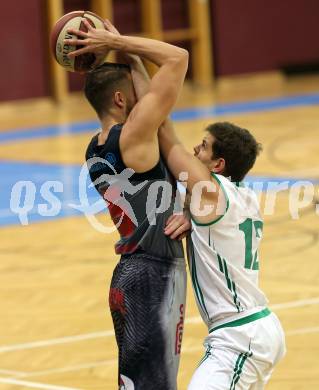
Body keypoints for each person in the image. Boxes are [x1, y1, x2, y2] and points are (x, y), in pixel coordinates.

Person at [65, 19, 190, 389]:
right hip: (154, 275)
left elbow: (148, 93)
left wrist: (127, 56)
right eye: (136, 97)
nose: (145, 98)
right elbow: (178, 58)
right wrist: (118, 41)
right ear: (121, 101)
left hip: (129, 275)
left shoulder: (95, 147)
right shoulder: (134, 134)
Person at [158, 119, 286, 389]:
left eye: (203, 147)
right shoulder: (243, 197)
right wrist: (191, 217)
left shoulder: (213, 194)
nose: (195, 150)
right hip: (254, 329)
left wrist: (143, 77)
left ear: (218, 165)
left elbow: (169, 141)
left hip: (239, 336)